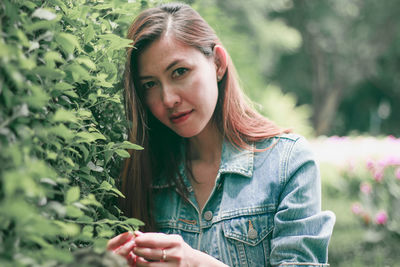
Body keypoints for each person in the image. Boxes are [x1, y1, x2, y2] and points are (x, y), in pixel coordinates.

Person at [107, 2, 335, 266]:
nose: (168, 98)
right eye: (150, 84)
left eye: (179, 72)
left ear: (218, 63)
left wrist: (197, 263)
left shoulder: (287, 163)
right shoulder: (140, 173)